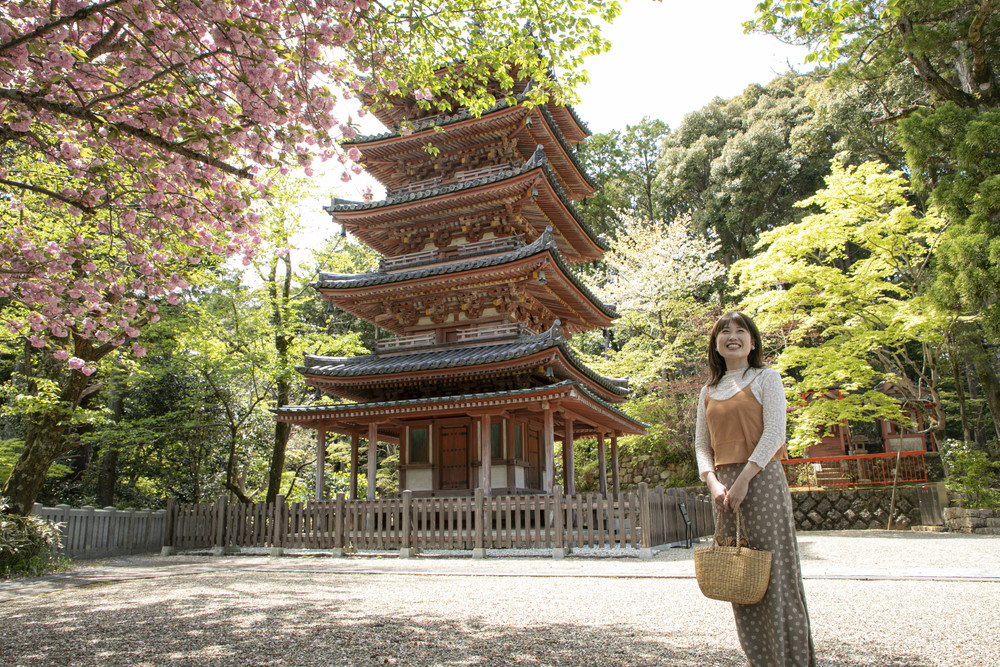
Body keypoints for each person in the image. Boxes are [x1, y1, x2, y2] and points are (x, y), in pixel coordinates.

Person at [694, 311, 816, 666]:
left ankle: (790, 659)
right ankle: (759, 659)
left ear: (753, 340)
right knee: (740, 576)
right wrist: (713, 482)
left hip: (761, 479)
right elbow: (703, 445)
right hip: (724, 489)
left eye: (740, 330)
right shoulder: (708, 390)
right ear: (715, 344)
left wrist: (745, 478)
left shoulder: (766, 377)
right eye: (724, 332)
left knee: (774, 572)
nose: (732, 336)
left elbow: (775, 432)